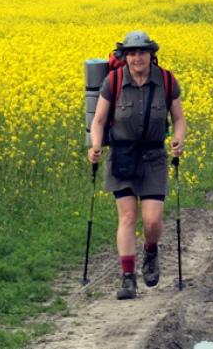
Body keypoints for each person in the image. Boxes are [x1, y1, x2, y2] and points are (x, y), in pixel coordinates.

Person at [87, 30, 186, 300]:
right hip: (122, 155)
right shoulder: (114, 80)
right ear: (125, 56)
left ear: (151, 55)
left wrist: (178, 139)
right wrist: (95, 146)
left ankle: (150, 249)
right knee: (128, 215)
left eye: (142, 52)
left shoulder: (166, 80)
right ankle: (128, 277)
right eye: (131, 53)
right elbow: (98, 121)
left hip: (154, 157)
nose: (137, 57)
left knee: (152, 220)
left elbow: (178, 118)